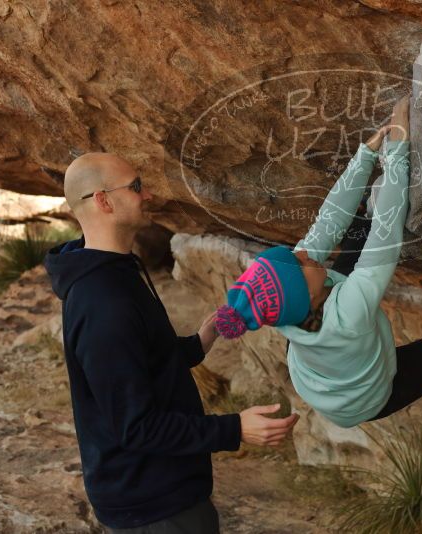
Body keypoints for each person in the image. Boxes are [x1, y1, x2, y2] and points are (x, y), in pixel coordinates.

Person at [213, 95, 422, 429]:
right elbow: (388, 232)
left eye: (293, 254)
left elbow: (328, 222)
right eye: (299, 261)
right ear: (307, 297)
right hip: (364, 399)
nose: (303, 251)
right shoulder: (348, 312)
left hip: (318, 371)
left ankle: (362, 218)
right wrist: (398, 151)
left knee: (346, 252)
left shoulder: (290, 296)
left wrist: (365, 155)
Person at [43, 153, 299, 533]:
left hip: (163, 491)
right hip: (152, 507)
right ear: (103, 200)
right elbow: (136, 427)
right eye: (135, 187)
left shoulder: (116, 272)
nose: (147, 195)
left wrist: (200, 341)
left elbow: (143, 361)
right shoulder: (102, 302)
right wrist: (234, 429)